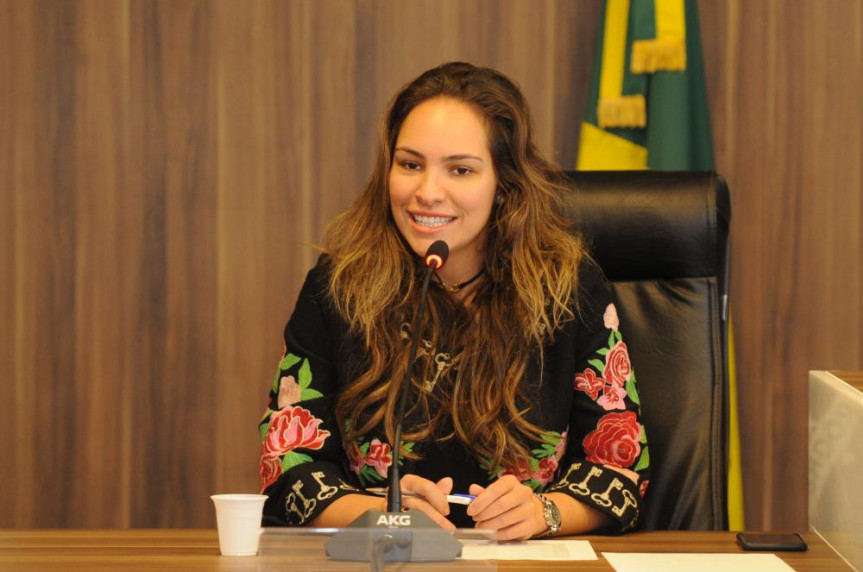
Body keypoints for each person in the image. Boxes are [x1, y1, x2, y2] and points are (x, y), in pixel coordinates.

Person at [258, 61, 649, 540]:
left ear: (505, 183)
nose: (427, 193)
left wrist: (543, 513)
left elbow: (620, 470)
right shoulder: (338, 287)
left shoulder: (566, 289)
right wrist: (383, 514)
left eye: (460, 170)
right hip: (387, 561)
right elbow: (286, 470)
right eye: (410, 165)